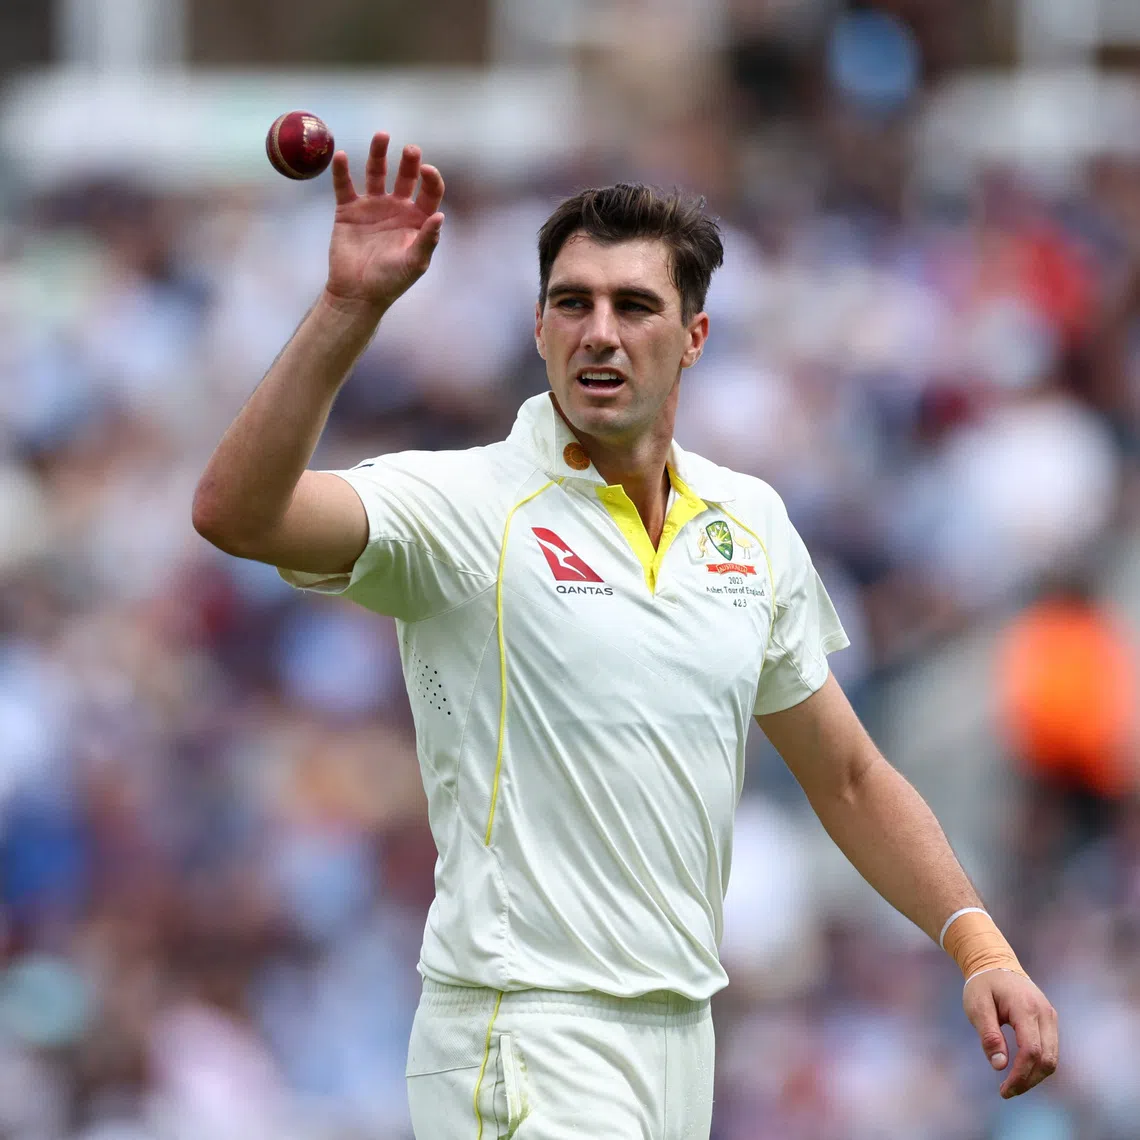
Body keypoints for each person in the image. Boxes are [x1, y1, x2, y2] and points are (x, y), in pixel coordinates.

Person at [192, 134, 1059, 1139]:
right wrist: (350, 310)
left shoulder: (749, 523)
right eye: (574, 303)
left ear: (693, 336)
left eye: (634, 306)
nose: (599, 332)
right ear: (539, 326)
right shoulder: (467, 504)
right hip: (523, 1032)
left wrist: (982, 949)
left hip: (680, 1038)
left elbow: (851, 778)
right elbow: (235, 514)